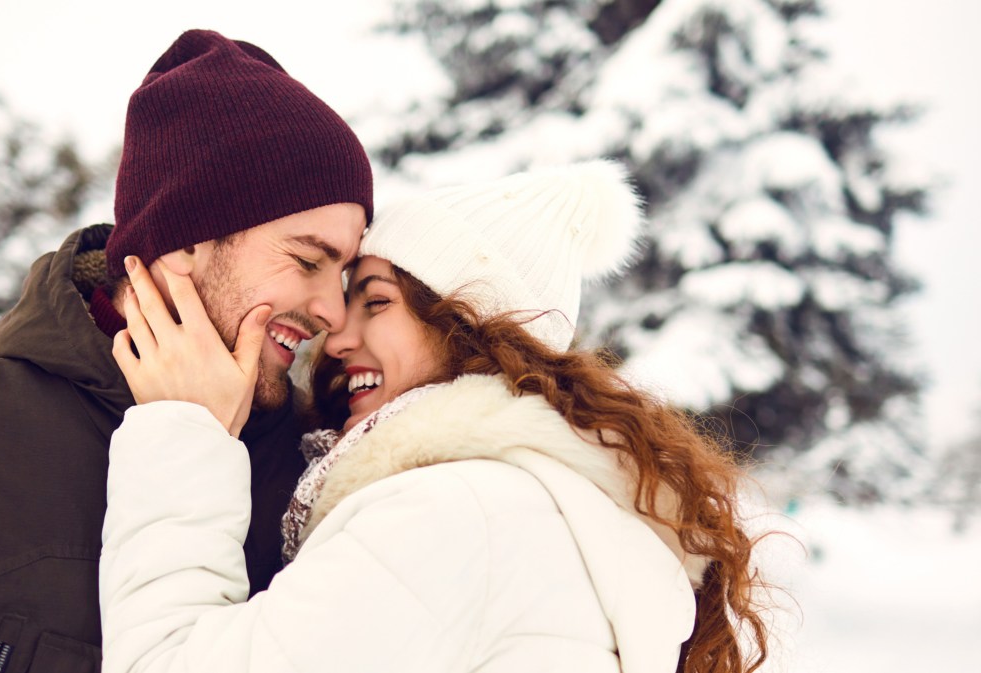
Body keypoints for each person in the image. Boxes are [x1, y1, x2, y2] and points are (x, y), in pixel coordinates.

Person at [0, 29, 372, 672]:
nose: (333, 313)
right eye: (308, 260)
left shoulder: (324, 471)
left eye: (344, 274)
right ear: (183, 243)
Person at [98, 160, 771, 673]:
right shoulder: (541, 507)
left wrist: (183, 429)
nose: (335, 338)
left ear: (472, 330)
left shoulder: (454, 513)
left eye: (377, 301)